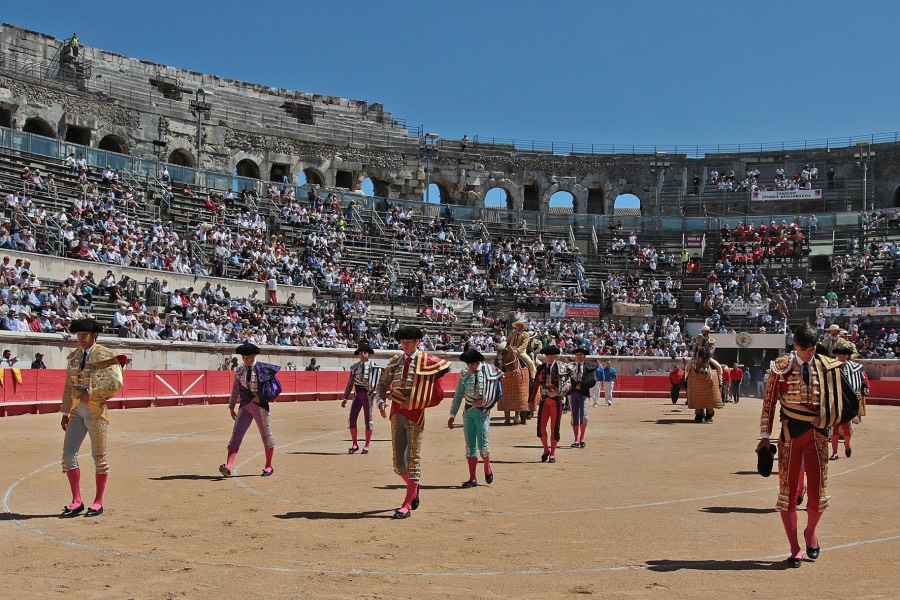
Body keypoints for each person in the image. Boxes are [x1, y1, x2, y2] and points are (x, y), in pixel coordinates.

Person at [757, 324, 859, 567]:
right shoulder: (780, 366)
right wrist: (764, 436)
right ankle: (794, 549)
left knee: (818, 495)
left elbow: (844, 403)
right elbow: (769, 404)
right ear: (795, 346)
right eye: (805, 351)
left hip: (818, 436)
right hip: (790, 436)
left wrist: (825, 419)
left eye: (812, 350)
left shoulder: (826, 366)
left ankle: (810, 533)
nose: (809, 355)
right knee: (788, 495)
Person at [375, 326, 450, 519]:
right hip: (396, 412)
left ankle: (407, 504)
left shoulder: (426, 361)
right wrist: (382, 401)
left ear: (417, 342)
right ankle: (414, 487)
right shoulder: (395, 361)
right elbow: (383, 385)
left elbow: (438, 393)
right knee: (398, 463)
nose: (404, 345)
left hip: (416, 414)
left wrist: (416, 402)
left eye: (408, 342)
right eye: (402, 342)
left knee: (413, 458)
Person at [59, 318, 128, 518]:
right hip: (76, 411)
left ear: (93, 336)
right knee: (68, 455)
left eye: (84, 335)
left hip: (96, 411)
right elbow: (68, 387)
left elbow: (115, 382)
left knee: (99, 457)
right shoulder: (73, 358)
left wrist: (91, 392)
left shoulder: (104, 355)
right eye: (78, 334)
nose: (80, 338)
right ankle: (77, 501)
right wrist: (64, 412)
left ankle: (98, 502)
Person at [219, 342, 282, 478]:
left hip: (260, 407)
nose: (246, 360)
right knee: (236, 436)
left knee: (266, 436)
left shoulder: (263, 369)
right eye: (243, 357)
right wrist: (231, 407)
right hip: (245, 406)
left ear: (254, 356)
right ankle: (228, 467)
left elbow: (275, 388)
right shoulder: (239, 370)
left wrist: (263, 397)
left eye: (248, 357)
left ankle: (269, 466)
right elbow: (235, 390)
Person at [448, 349, 501, 487]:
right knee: (470, 446)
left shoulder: (490, 372)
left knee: (483, 446)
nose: (469, 367)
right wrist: (452, 415)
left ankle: (487, 467)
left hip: (482, 413)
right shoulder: (465, 374)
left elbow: (498, 393)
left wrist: (484, 403)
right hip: (468, 413)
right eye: (468, 364)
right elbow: (458, 395)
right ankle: (472, 478)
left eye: (472, 364)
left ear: (478, 362)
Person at [528, 345, 569, 463]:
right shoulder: (541, 368)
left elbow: (568, 384)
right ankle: (546, 449)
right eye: (548, 356)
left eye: (551, 356)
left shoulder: (562, 367)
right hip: (544, 401)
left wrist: (558, 392)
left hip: (557, 401)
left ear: (555, 356)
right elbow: (535, 385)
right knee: (541, 428)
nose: (549, 358)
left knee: (554, 428)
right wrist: (531, 401)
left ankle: (553, 453)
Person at [830, 343, 868, 460]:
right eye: (839, 354)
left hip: (848, 402)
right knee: (834, 427)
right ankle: (834, 452)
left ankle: (847, 445)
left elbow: (861, 383)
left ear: (847, 356)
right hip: (835, 401)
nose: (841, 357)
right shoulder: (831, 367)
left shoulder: (855, 368)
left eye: (844, 355)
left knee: (846, 427)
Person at [342, 341, 378, 454]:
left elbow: (378, 381)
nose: (363, 354)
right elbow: (350, 383)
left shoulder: (374, 366)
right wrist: (345, 397)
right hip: (357, 395)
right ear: (359, 354)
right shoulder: (354, 367)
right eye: (361, 353)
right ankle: (354, 444)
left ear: (368, 354)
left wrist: (372, 388)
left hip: (368, 395)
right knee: (352, 419)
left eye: (365, 353)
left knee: (369, 420)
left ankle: (367, 445)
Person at [566, 347, 596, 448]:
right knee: (574, 416)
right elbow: (565, 379)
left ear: (584, 356)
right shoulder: (569, 367)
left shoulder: (590, 367)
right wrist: (575, 386)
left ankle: (582, 438)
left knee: (584, 415)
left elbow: (593, 381)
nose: (579, 356)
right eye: (577, 355)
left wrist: (582, 385)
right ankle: (576, 439)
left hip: (584, 393)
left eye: (581, 355)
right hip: (573, 393)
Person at [685, 347, 722, 423]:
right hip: (699, 357)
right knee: (688, 366)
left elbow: (712, 348)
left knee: (718, 367)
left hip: (708, 357)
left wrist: (709, 353)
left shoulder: (710, 340)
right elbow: (694, 348)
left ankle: (720, 380)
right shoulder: (699, 340)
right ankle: (685, 378)